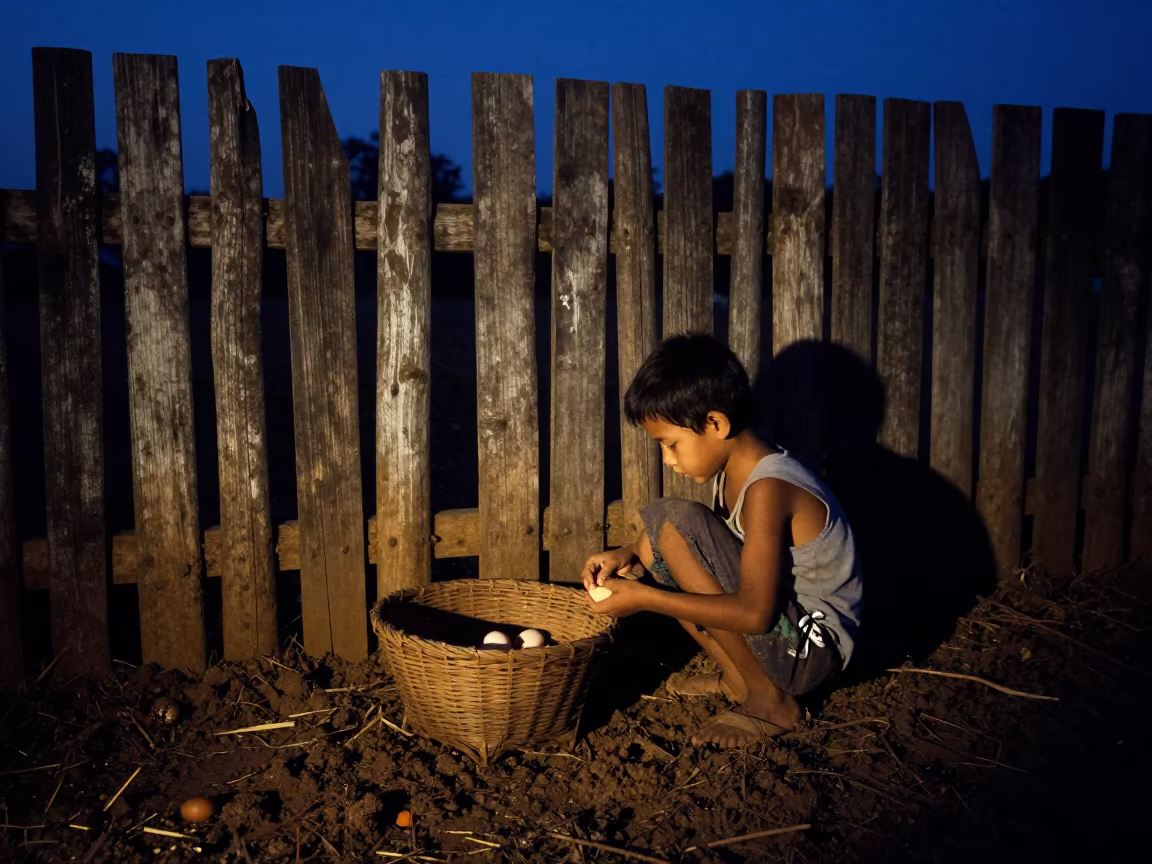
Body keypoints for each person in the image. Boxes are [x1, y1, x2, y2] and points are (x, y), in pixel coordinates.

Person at [583, 333, 863, 747]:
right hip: (784, 635)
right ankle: (740, 682)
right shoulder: (736, 474)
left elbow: (753, 615)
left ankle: (772, 703)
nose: (667, 459)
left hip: (811, 650)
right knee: (667, 522)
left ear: (715, 423)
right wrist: (627, 553)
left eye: (671, 443)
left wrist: (645, 599)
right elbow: (696, 558)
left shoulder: (769, 488)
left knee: (674, 519)